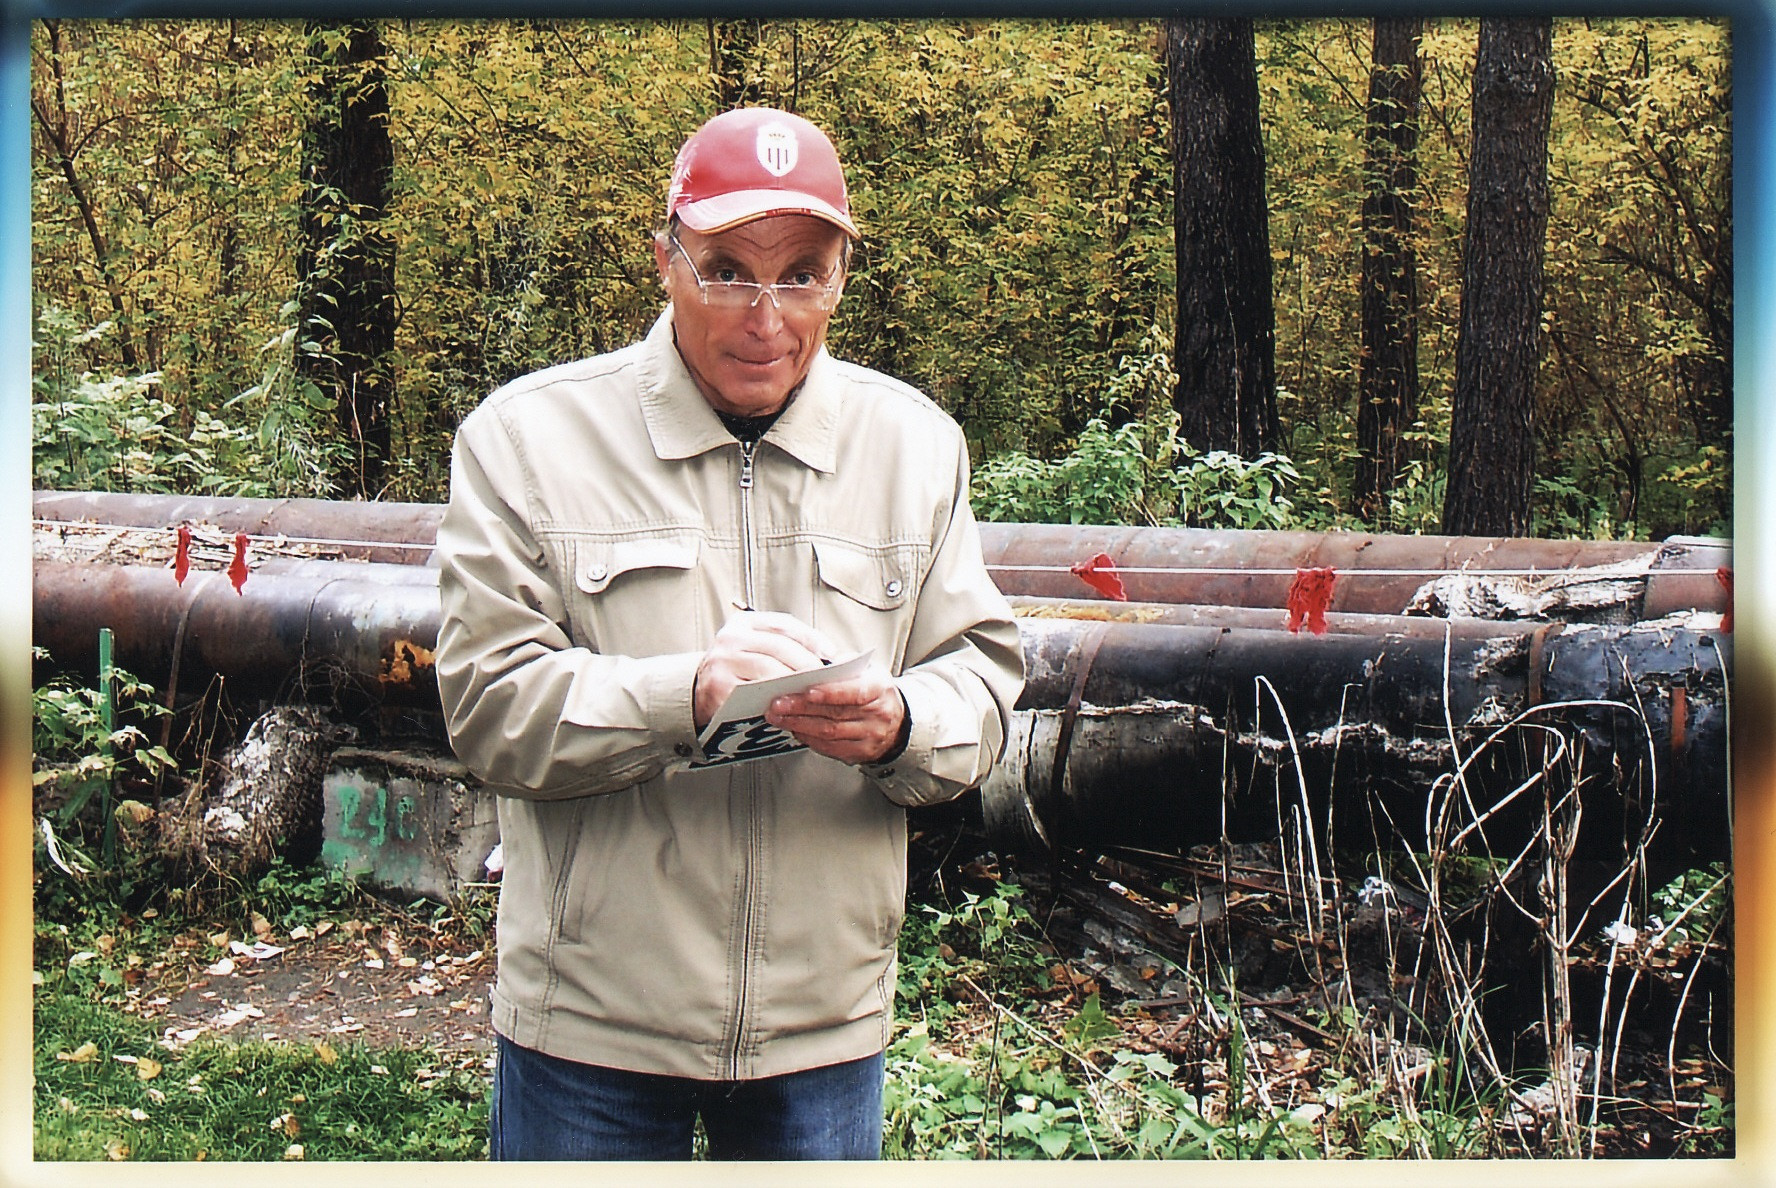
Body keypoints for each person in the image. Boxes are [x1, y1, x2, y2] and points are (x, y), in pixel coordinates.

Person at [433, 106, 1025, 1161]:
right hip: (591, 1028)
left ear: (843, 275)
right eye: (727, 271)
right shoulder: (526, 440)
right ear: (665, 260)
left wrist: (900, 724)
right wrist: (684, 696)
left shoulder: (917, 448)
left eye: (803, 273)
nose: (768, 317)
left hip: (824, 1034)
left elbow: (980, 678)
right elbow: (489, 709)